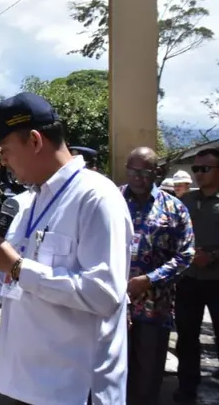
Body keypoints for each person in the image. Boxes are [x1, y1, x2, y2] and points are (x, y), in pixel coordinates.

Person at [0, 93, 133, 405]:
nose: (3, 160)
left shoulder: (96, 198)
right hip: (30, 386)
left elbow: (104, 294)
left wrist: (18, 267)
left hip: (73, 389)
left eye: (6, 150)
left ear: (34, 141)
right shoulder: (33, 202)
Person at [121, 147, 193, 405]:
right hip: (113, 308)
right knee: (110, 378)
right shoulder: (111, 201)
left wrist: (149, 279)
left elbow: (186, 255)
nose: (138, 177)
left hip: (154, 310)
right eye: (133, 170)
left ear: (156, 172)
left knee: (147, 382)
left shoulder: (174, 208)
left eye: (145, 172)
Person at [174, 148, 219, 403]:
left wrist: (212, 256)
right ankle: (187, 390)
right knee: (187, 337)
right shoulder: (187, 202)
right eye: (196, 169)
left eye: (205, 169)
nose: (199, 174)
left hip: (217, 281)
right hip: (189, 280)